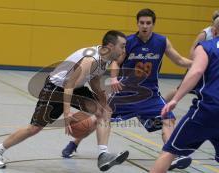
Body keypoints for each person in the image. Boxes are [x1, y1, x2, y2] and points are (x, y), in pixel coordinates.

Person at [62, 8, 192, 170]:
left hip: (149, 95)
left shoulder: (162, 42)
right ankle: (74, 143)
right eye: (142, 23)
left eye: (148, 23)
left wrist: (198, 63)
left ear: (153, 24)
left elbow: (179, 60)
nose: (145, 26)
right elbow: (116, 62)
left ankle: (173, 155)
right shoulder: (128, 42)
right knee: (100, 118)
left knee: (169, 119)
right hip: (125, 93)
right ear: (137, 24)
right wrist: (115, 77)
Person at [0, 30, 129, 172]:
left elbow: (94, 78)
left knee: (105, 112)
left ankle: (103, 154)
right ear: (110, 46)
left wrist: (101, 96)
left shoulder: (108, 58)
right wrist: (67, 113)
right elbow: (69, 84)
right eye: (122, 46)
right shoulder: (90, 59)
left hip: (75, 88)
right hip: (56, 88)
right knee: (34, 128)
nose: (124, 50)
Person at [150, 17, 219, 173]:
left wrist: (175, 99)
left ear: (214, 31)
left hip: (207, 111)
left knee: (169, 151)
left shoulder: (206, 47)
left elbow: (196, 71)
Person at [164, 9, 219, 102]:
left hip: (211, 69)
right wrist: (195, 64)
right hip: (198, 66)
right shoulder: (205, 33)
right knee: (180, 90)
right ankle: (161, 105)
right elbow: (193, 51)